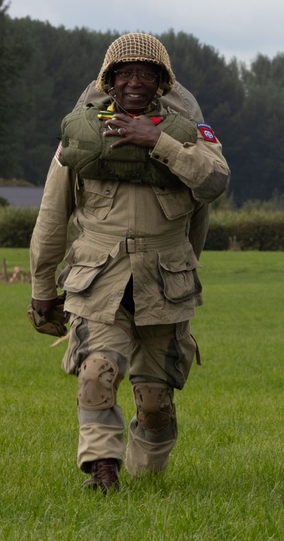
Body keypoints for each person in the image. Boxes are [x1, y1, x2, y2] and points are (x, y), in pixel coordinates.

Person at [28, 32, 230, 492]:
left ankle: (146, 476)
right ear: (110, 82)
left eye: (147, 74)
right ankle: (102, 469)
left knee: (155, 401)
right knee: (97, 372)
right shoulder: (81, 137)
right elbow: (51, 214)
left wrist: (157, 141)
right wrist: (42, 288)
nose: (135, 82)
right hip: (99, 282)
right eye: (125, 74)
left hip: (165, 284)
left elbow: (214, 183)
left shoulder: (187, 133)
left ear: (162, 82)